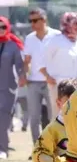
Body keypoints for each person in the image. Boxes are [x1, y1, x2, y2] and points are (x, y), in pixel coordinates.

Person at [40, 12, 77, 117]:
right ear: (67, 24)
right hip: (57, 86)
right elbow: (41, 61)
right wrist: (47, 77)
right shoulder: (55, 40)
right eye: (76, 23)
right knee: (58, 117)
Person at [23, 8, 59, 145]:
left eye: (35, 20)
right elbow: (26, 61)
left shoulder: (57, 36)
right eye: (30, 21)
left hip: (52, 82)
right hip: (33, 82)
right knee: (34, 118)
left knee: (53, 117)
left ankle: (53, 147)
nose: (32, 24)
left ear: (44, 20)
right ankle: (37, 148)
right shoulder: (29, 38)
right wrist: (23, 75)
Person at [0, 17, 24, 160]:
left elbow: (20, 66)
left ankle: (3, 149)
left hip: (8, 89)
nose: (0, 29)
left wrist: (23, 77)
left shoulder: (13, 45)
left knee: (4, 120)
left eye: (3, 26)